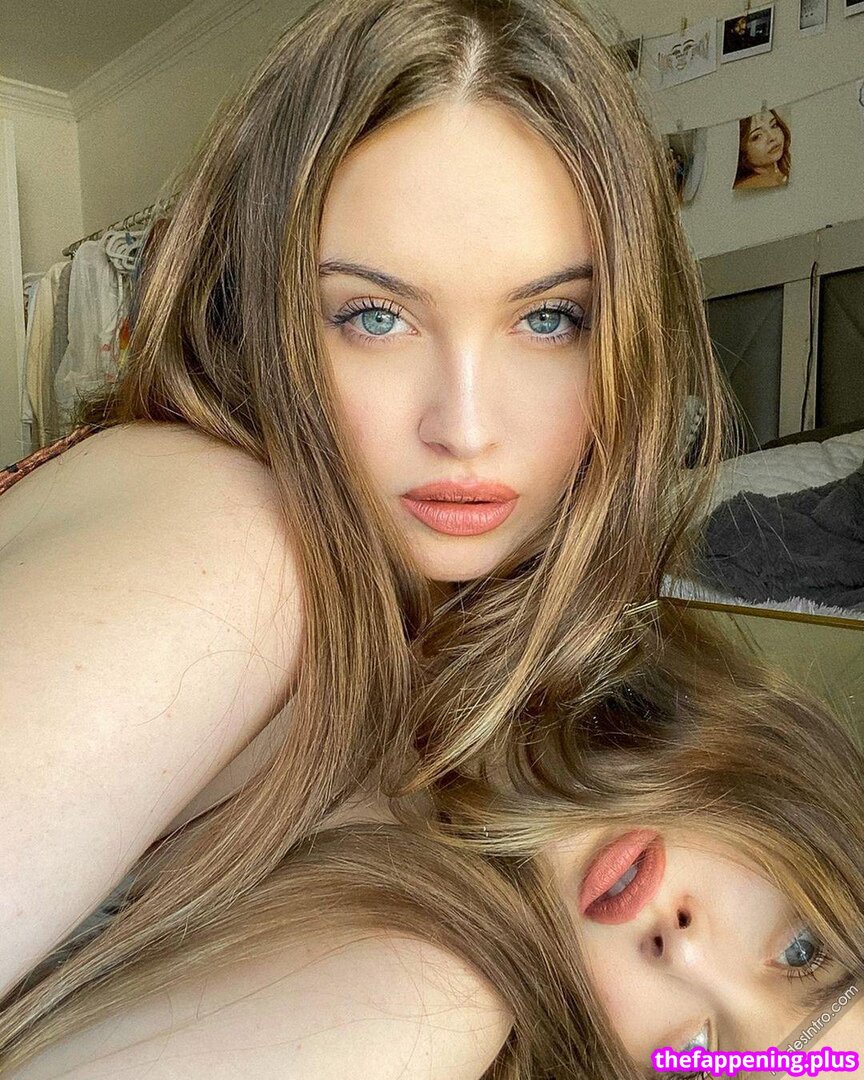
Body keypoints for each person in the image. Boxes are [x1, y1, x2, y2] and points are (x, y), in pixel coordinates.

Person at [0, 0, 851, 1074]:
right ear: (251, 313)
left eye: (547, 318)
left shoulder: (468, 821)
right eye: (373, 314)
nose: (466, 428)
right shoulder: (241, 549)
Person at [734, 108, 791, 190]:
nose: (772, 137)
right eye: (757, 136)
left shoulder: (784, 170)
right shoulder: (751, 185)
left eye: (774, 125)